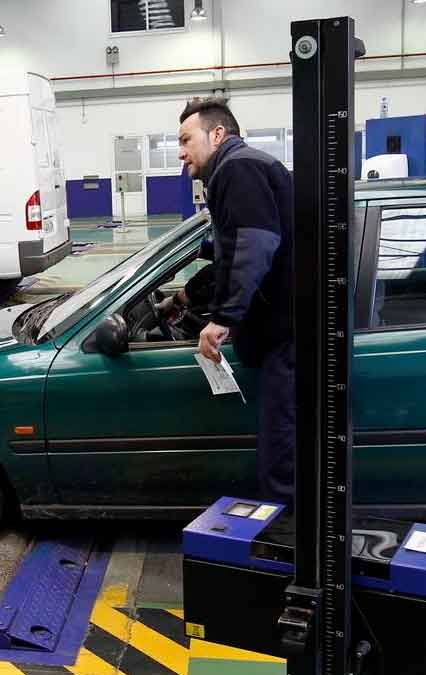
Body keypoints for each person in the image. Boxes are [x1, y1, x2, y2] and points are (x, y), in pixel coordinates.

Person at [175, 97, 296, 505]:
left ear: (218, 134)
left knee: (282, 445)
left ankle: (287, 542)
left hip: (289, 334)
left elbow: (255, 244)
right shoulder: (237, 169)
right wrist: (188, 295)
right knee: (280, 440)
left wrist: (222, 318)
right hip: (279, 329)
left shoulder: (237, 167)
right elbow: (231, 251)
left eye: (186, 139)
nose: (180, 151)